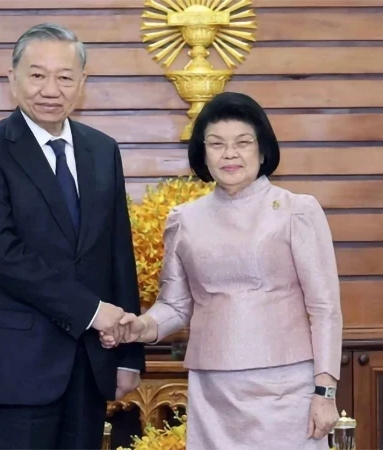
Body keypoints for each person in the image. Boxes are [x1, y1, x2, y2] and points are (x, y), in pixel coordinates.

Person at [100, 91, 343, 449]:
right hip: (213, 389)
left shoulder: (297, 211)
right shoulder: (185, 219)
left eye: (243, 143)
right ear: (202, 153)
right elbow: (176, 306)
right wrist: (140, 327)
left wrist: (325, 390)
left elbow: (325, 308)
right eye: (216, 144)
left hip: (287, 386)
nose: (230, 154)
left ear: (262, 150)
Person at [0, 23, 145, 450]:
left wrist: (129, 354)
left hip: (91, 362)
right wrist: (93, 311)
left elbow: (118, 252)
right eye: (37, 75)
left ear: (82, 83)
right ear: (13, 79)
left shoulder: (102, 149)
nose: (50, 89)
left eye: (64, 77)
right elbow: (2, 255)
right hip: (18, 362)